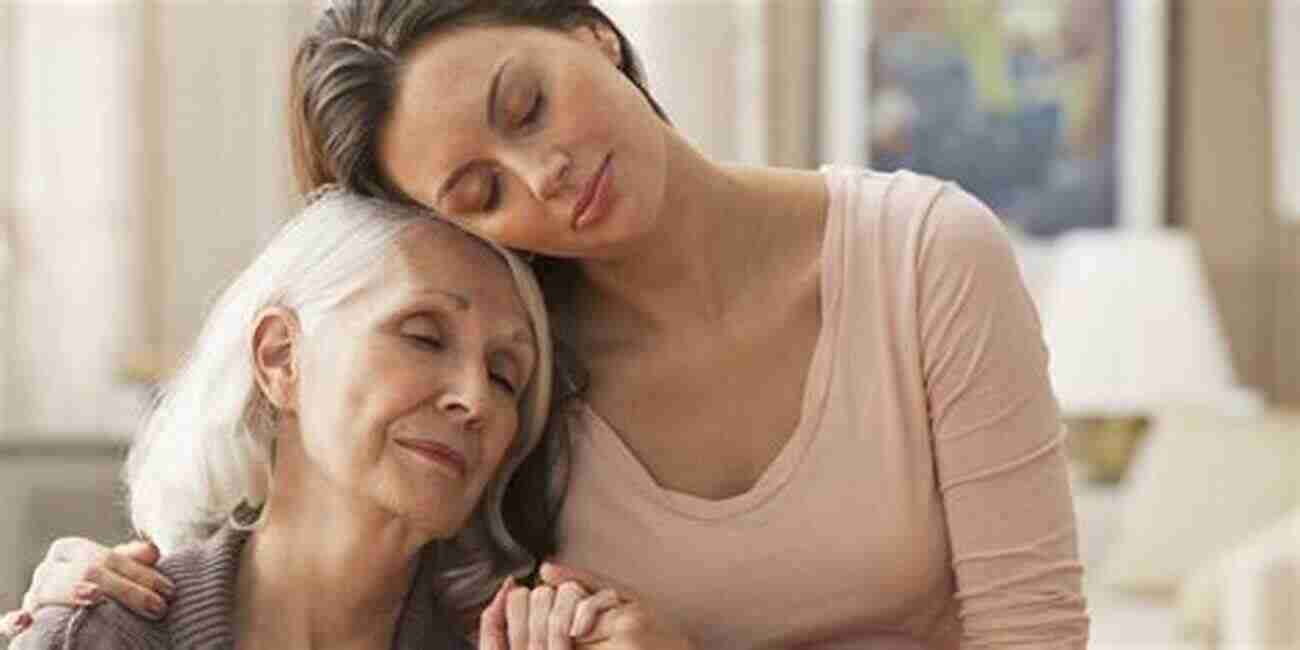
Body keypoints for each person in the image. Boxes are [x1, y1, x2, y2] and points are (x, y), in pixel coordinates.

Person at [7, 1, 1091, 647]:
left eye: (525, 105)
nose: (545, 174)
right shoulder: (513, 384)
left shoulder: (924, 256)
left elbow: (1034, 633)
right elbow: (349, 551)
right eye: (479, 192)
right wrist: (86, 610)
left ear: (593, 33)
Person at [5, 189, 664, 650]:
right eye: (425, 336)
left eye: (504, 376)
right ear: (281, 357)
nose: (476, 399)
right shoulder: (99, 637)